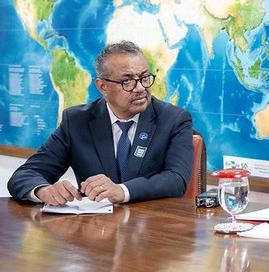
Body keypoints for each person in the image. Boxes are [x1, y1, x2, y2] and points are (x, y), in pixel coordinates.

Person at [8, 40, 194, 205]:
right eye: (127, 81)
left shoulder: (173, 119)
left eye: (144, 78)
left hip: (155, 231)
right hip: (95, 232)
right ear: (103, 87)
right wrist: (44, 191)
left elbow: (176, 179)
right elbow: (24, 175)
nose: (140, 88)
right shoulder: (76, 121)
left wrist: (122, 191)